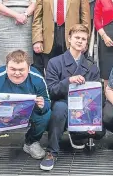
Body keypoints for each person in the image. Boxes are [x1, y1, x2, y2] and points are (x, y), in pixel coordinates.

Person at [40, 24, 105, 171]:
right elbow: (51, 91)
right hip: (61, 103)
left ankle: (77, 134)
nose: (80, 41)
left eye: (84, 39)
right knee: (60, 108)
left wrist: (91, 120)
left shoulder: (91, 66)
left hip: (83, 107)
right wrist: (68, 81)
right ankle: (51, 152)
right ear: (69, 39)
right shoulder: (55, 62)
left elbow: (96, 96)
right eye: (77, 37)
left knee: (100, 131)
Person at [0, 50, 51, 169]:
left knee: (46, 113)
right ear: (6, 67)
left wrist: (42, 105)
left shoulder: (38, 79)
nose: (17, 73)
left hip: (26, 113)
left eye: (21, 70)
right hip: (2, 113)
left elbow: (47, 102)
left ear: (29, 68)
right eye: (13, 69)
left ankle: (31, 142)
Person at [32, 0, 90, 74]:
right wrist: (37, 39)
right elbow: (37, 17)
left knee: (72, 71)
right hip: (49, 36)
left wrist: (85, 40)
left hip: (72, 36)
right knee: (51, 71)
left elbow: (85, 18)